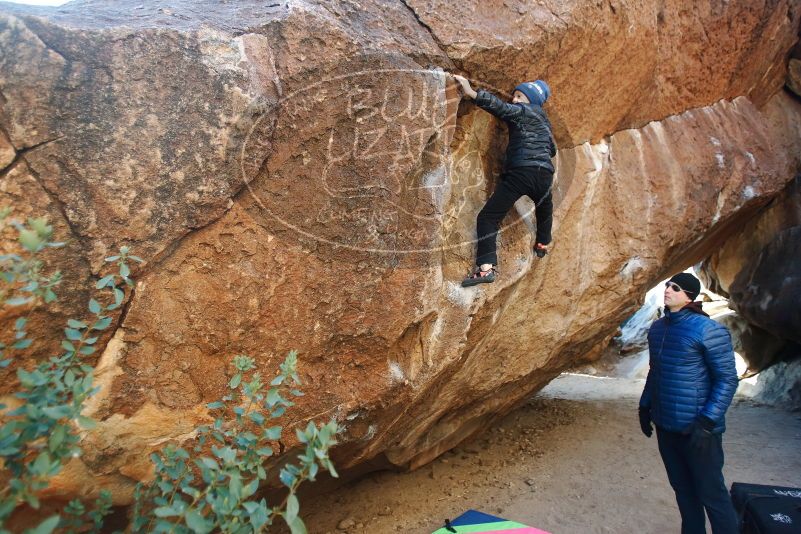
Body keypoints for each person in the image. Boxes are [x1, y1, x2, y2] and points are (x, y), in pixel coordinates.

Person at [639, 272, 740, 534]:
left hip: (699, 430)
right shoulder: (659, 328)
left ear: (689, 296)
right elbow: (656, 370)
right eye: (667, 285)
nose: (668, 290)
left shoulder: (709, 330)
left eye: (675, 287)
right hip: (666, 426)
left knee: (712, 495)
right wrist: (645, 405)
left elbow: (727, 379)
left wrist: (707, 421)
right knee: (684, 492)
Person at [450, 74, 557, 287]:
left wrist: (471, 93)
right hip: (544, 174)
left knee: (488, 218)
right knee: (545, 209)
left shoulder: (523, 112)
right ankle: (543, 243)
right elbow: (552, 149)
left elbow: (502, 109)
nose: (514, 100)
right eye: (515, 96)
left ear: (532, 101)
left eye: (520, 96)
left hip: (522, 173)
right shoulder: (545, 123)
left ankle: (486, 269)